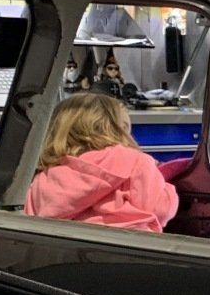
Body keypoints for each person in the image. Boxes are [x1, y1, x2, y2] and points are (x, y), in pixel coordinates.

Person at [24, 93, 178, 233]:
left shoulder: (45, 175)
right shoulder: (135, 161)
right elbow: (161, 209)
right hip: (131, 251)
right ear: (120, 129)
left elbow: (30, 216)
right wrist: (168, 188)